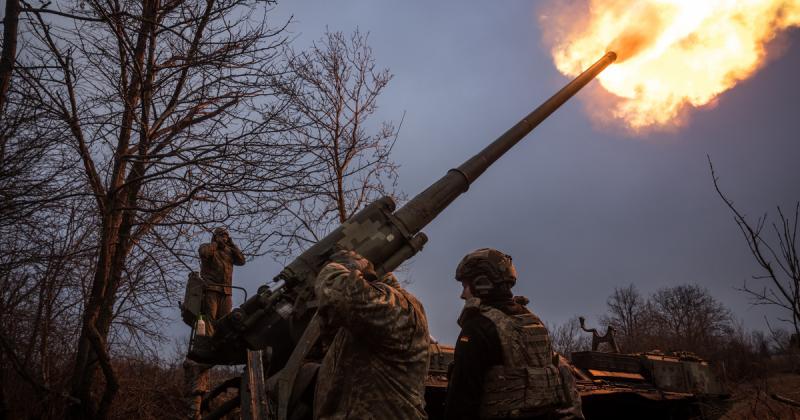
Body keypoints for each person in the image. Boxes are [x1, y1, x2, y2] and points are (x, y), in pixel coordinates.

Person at [444, 248, 583, 420]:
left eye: (465, 285)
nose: (462, 294)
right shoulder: (533, 321)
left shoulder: (478, 328)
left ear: (482, 283)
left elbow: (462, 402)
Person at [313, 249, 430, 420]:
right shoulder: (368, 323)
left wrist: (340, 267)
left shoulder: (398, 307)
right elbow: (332, 327)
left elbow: (342, 294)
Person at [198, 227, 245, 320]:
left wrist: (232, 245)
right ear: (216, 237)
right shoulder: (207, 246)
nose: (224, 238)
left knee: (226, 319)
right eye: (222, 236)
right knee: (210, 318)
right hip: (211, 289)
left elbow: (241, 261)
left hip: (226, 291)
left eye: (226, 237)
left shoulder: (229, 252)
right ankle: (208, 334)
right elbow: (204, 253)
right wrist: (215, 244)